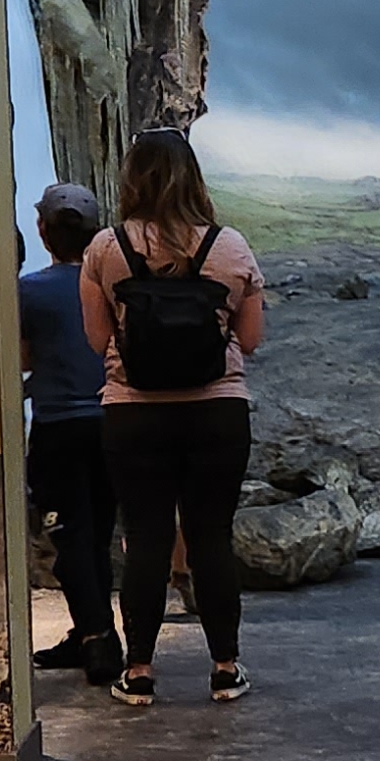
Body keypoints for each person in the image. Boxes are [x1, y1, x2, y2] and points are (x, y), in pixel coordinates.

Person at [78, 127, 267, 706]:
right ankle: (225, 667)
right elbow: (251, 339)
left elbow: (97, 340)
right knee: (211, 536)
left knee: (146, 538)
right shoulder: (230, 246)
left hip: (134, 415)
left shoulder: (106, 248)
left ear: (132, 177)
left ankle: (138, 670)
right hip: (218, 411)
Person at [18, 181, 120, 684]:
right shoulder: (111, 289)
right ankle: (88, 632)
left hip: (58, 428)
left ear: (42, 230)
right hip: (113, 424)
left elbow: (21, 359)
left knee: (69, 534)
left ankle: (99, 639)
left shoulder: (28, 292)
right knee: (96, 534)